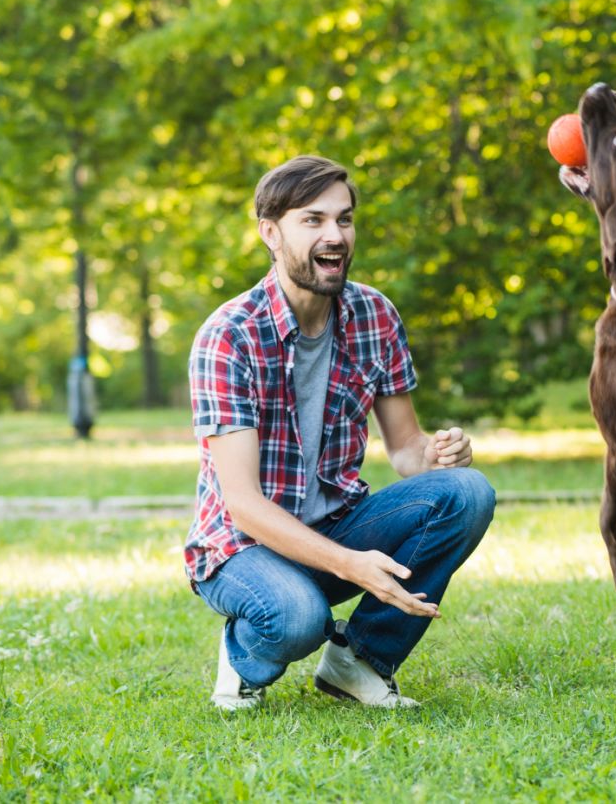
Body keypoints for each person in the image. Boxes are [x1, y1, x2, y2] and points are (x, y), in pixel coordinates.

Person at [184, 155, 495, 711]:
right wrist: (351, 565)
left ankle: (360, 661)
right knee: (299, 618)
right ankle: (243, 655)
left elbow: (405, 450)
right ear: (271, 233)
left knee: (467, 493)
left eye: (344, 220)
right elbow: (244, 505)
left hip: (336, 527)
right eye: (314, 220)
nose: (335, 236)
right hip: (242, 547)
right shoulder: (229, 337)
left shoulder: (374, 315)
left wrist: (439, 453)